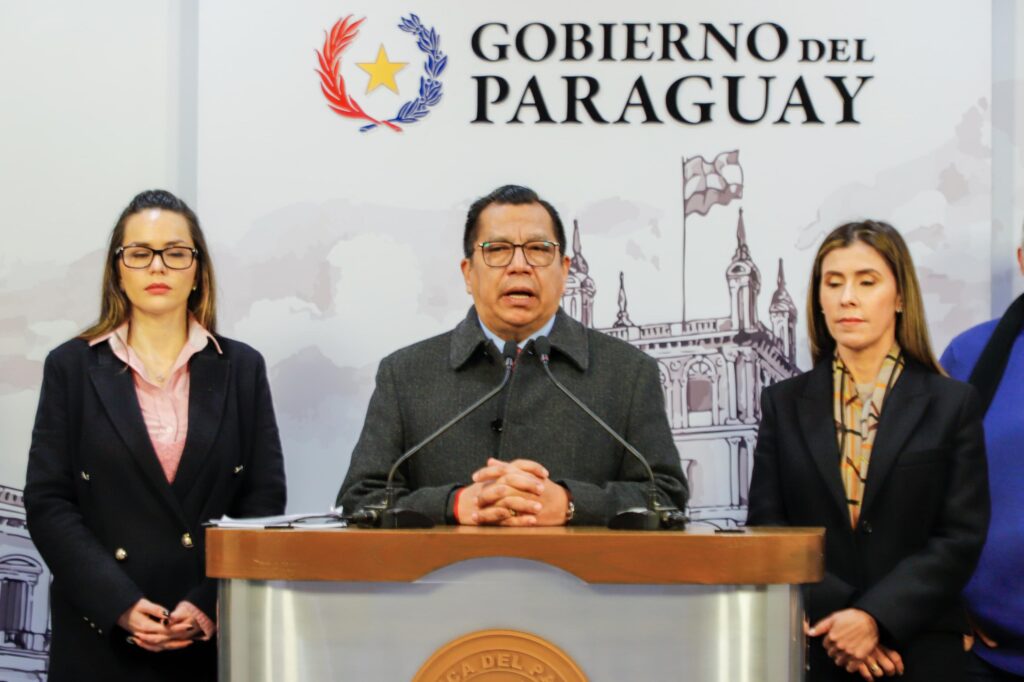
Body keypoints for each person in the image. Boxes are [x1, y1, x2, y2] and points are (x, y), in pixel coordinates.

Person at [24, 189, 287, 681]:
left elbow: (261, 499)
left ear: (198, 270)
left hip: (205, 636)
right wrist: (118, 602)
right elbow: (49, 501)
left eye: (176, 252)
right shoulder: (72, 366)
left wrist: (206, 603)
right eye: (140, 254)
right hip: (99, 632)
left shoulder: (242, 368)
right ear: (118, 270)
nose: (158, 267)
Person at [338, 184, 687, 526]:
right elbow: (361, 499)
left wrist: (572, 503)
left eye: (538, 249)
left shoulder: (628, 372)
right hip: (445, 582)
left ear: (564, 271)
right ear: (468, 273)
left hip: (584, 582)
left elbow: (667, 498)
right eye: (497, 249)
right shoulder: (406, 374)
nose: (519, 265)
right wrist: (455, 504)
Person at [746, 220, 989, 681]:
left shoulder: (951, 404)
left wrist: (877, 618)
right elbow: (768, 527)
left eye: (866, 281)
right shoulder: (783, 403)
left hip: (919, 648)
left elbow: (960, 537)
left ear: (900, 298)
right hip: (819, 644)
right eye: (832, 283)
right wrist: (843, 617)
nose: (847, 298)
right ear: (818, 298)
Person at [941, 234, 1024, 681]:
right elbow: (920, 488)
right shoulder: (968, 355)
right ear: (1021, 259)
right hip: (986, 655)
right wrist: (948, 598)